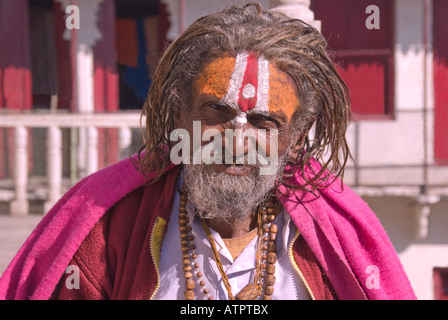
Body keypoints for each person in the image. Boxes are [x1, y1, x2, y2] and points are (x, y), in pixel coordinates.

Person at [0, 3, 415, 300]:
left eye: (264, 123)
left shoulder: (336, 242)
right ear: (181, 116)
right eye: (218, 113)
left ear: (295, 136)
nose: (237, 140)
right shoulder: (108, 227)